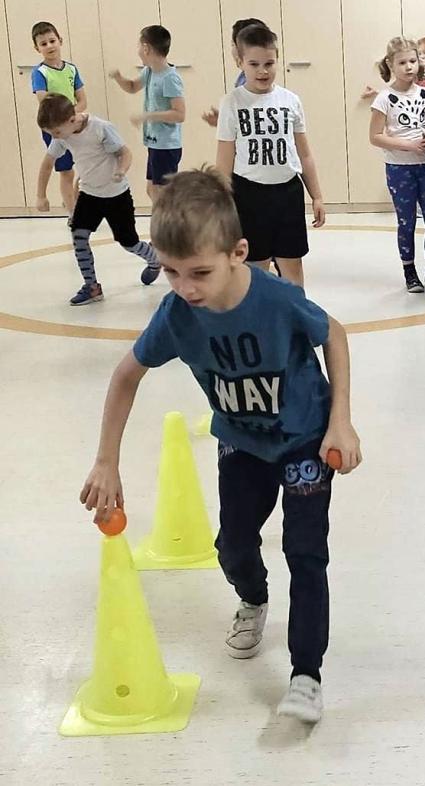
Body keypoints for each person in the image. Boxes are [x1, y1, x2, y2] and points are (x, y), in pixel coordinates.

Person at [79, 166, 362, 724]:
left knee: (306, 553)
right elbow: (126, 375)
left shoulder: (277, 299)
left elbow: (335, 333)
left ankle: (306, 674)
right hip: (241, 442)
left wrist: (341, 422)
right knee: (232, 547)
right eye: (171, 272)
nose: (186, 288)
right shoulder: (177, 315)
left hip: (304, 439)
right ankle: (253, 597)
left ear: (238, 253)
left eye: (200, 273)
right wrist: (106, 460)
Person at [215, 24, 325, 288]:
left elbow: (304, 154)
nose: (262, 71)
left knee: (292, 264)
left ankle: (295, 312)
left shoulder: (290, 100)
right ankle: (258, 313)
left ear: (277, 60)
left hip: (287, 193)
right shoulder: (232, 102)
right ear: (240, 62)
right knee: (254, 267)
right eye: (254, 64)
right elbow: (224, 160)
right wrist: (220, 204)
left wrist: (317, 196)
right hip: (248, 194)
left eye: (269, 63)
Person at [35, 94, 161, 305]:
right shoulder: (62, 137)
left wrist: (121, 170)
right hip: (89, 194)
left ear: (72, 120)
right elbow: (47, 164)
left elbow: (125, 153)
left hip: (116, 195)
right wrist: (41, 195)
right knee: (79, 236)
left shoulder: (101, 129)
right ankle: (92, 286)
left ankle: (155, 259)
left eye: (56, 132)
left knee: (128, 242)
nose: (55, 137)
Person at [369, 36, 425, 293]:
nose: (409, 67)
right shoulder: (384, 98)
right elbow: (375, 137)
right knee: (407, 222)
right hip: (399, 169)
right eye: (402, 62)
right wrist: (407, 145)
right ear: (391, 64)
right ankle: (410, 273)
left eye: (412, 61)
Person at [108, 24, 185, 204]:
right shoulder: (149, 71)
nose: (138, 51)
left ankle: (170, 220)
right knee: (152, 189)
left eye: (138, 46)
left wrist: (148, 116)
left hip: (166, 146)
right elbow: (133, 87)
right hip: (155, 143)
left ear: (146, 48)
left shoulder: (170, 78)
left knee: (162, 192)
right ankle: (164, 219)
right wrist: (119, 78)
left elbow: (180, 114)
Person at [30, 21, 87, 219]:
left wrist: (71, 116)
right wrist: (62, 119)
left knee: (86, 168)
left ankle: (71, 200)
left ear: (60, 40)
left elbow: (82, 100)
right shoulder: (40, 73)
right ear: (37, 48)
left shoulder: (71, 69)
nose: (49, 46)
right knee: (66, 171)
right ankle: (73, 214)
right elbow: (44, 100)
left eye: (52, 41)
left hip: (74, 125)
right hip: (56, 128)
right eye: (43, 43)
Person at [202, 17, 269, 127]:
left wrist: (224, 122)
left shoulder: (255, 81)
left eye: (232, 45)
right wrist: (225, 119)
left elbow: (255, 120)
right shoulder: (243, 77)